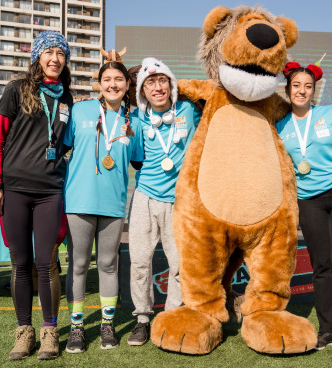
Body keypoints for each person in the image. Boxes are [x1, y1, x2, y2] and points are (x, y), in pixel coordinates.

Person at [276, 61, 332, 352]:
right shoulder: (281, 125)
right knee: (321, 265)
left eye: (307, 86)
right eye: (296, 85)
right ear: (288, 89)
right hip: (308, 199)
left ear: (314, 90)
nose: (302, 91)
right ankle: (327, 330)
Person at [64, 52, 144, 353]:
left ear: (126, 85)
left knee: (109, 264)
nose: (112, 84)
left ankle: (107, 326)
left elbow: (138, 162)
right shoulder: (80, 111)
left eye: (118, 80)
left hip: (113, 205)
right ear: (99, 84)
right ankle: (76, 328)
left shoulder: (132, 119)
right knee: (79, 264)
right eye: (107, 79)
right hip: (78, 201)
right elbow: (64, 149)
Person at [0, 30, 73, 360]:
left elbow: (67, 143)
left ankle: (49, 333)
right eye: (49, 52)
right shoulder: (16, 90)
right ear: (37, 57)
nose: (55, 58)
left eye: (61, 53)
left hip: (49, 192)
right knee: (20, 263)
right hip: (15, 189)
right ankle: (23, 332)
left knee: (47, 264)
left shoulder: (67, 98)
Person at [127, 58, 202, 346]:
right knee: (140, 262)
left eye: (161, 81)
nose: (157, 87)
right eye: (150, 83)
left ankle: (171, 316)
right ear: (142, 91)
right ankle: (143, 319)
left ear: (170, 85)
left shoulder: (188, 110)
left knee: (180, 264)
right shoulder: (135, 119)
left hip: (180, 200)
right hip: (145, 196)